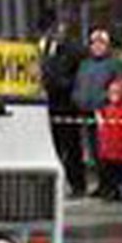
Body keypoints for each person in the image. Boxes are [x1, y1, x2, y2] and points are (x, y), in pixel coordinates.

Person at [40, 15, 86, 197]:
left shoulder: (73, 50)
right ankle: (54, 184)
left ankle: (77, 184)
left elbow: (78, 75)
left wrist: (61, 82)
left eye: (59, 29)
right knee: (54, 146)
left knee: (72, 146)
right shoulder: (43, 48)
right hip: (48, 104)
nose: (56, 33)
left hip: (66, 104)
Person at [73, 28, 121, 196]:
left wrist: (104, 102)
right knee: (93, 150)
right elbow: (78, 84)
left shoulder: (114, 64)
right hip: (85, 112)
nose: (97, 46)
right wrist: (78, 98)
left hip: (105, 113)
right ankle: (100, 184)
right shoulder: (85, 64)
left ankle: (110, 184)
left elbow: (117, 87)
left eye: (101, 43)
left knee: (106, 150)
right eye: (94, 43)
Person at [96, 76, 122, 200]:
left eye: (116, 92)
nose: (113, 95)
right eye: (111, 93)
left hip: (121, 148)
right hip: (108, 147)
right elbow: (104, 128)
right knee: (110, 171)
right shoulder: (108, 109)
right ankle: (111, 190)